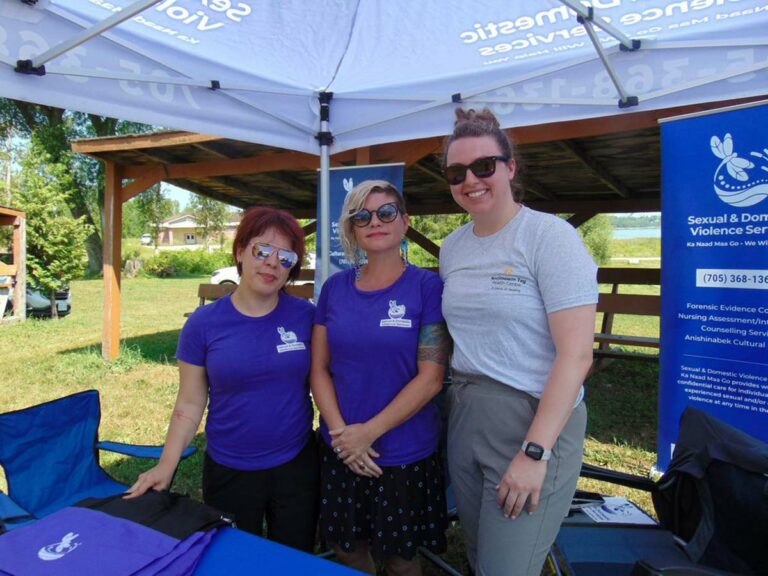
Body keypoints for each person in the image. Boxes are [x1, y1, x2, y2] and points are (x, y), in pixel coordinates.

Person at [440, 108, 598, 576]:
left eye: (483, 166)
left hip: (532, 418)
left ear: (510, 167)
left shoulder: (549, 237)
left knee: (505, 567)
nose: (470, 179)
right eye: (456, 171)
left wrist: (535, 452)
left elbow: (576, 354)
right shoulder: (453, 246)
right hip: (466, 413)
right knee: (477, 553)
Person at [125, 207, 319, 553]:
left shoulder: (307, 317)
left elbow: (331, 378)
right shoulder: (203, 324)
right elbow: (189, 403)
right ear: (240, 251)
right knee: (232, 561)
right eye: (262, 250)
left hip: (296, 465)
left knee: (293, 559)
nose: (272, 263)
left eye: (286, 256)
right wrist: (166, 466)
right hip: (229, 469)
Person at [311, 180, 450, 576]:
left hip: (404, 452)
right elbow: (319, 368)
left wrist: (368, 433)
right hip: (342, 447)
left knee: (402, 559)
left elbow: (432, 377)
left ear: (404, 223)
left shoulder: (427, 287)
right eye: (362, 215)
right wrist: (344, 437)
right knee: (346, 546)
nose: (375, 221)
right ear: (352, 229)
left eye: (386, 212)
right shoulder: (334, 289)